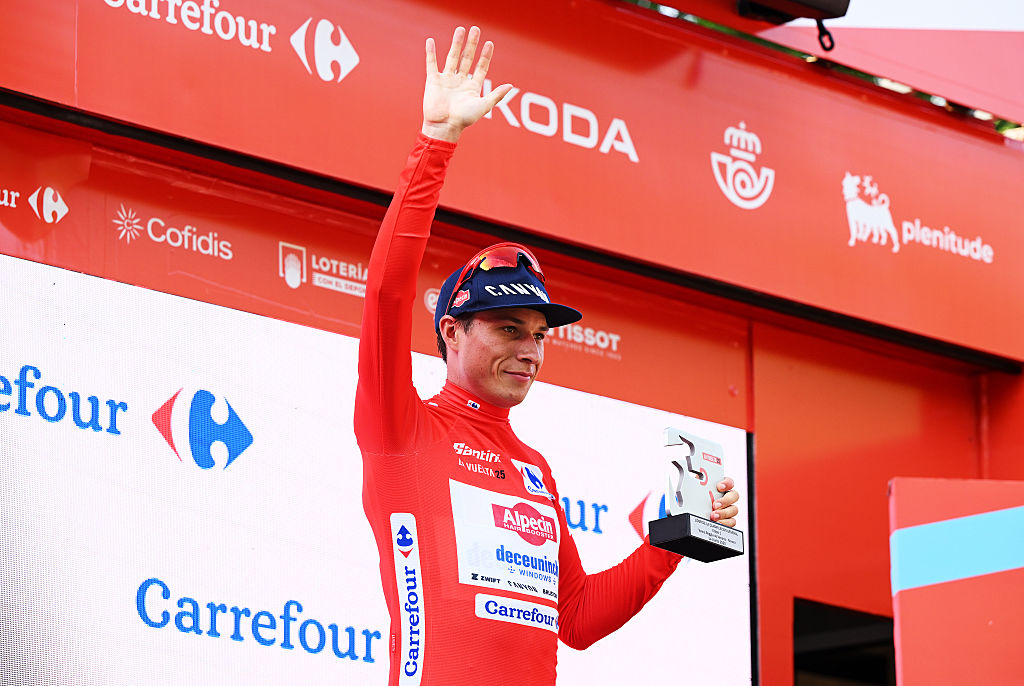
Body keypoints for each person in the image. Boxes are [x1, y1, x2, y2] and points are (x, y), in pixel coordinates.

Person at [354, 26, 740, 686]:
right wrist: (436, 143)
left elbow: (579, 618)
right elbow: (388, 290)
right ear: (451, 332)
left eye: (538, 334)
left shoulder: (534, 469)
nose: (529, 349)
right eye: (509, 329)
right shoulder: (402, 429)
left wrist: (676, 537)